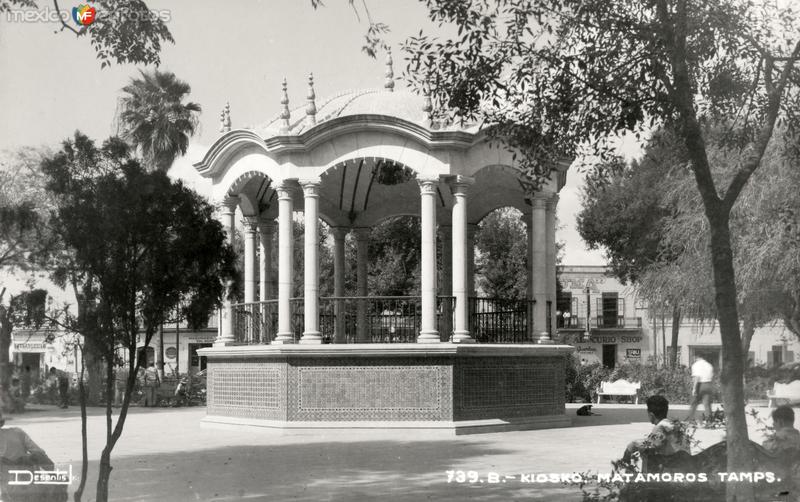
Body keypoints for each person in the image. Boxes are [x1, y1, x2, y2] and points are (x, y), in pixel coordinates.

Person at [622, 395, 690, 462]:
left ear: (651, 415)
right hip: (688, 466)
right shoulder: (676, 426)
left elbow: (652, 444)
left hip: (674, 468)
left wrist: (632, 446)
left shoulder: (661, 427)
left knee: (647, 453)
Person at [686, 355, 715, 425]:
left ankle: (691, 420)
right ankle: (709, 421)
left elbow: (697, 377)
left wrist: (694, 388)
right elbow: (712, 377)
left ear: (697, 357)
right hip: (708, 384)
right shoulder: (709, 365)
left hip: (699, 385)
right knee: (707, 404)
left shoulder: (695, 365)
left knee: (694, 403)